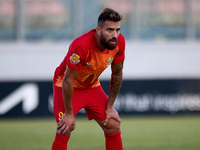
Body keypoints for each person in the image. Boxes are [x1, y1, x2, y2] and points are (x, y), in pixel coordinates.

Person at [52, 8, 125, 150]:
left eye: (117, 30)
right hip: (66, 85)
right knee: (64, 128)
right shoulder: (81, 45)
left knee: (113, 123)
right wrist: (68, 113)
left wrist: (109, 107)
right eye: (109, 30)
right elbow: (68, 79)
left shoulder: (119, 42)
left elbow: (117, 74)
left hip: (91, 86)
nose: (114, 35)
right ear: (98, 30)